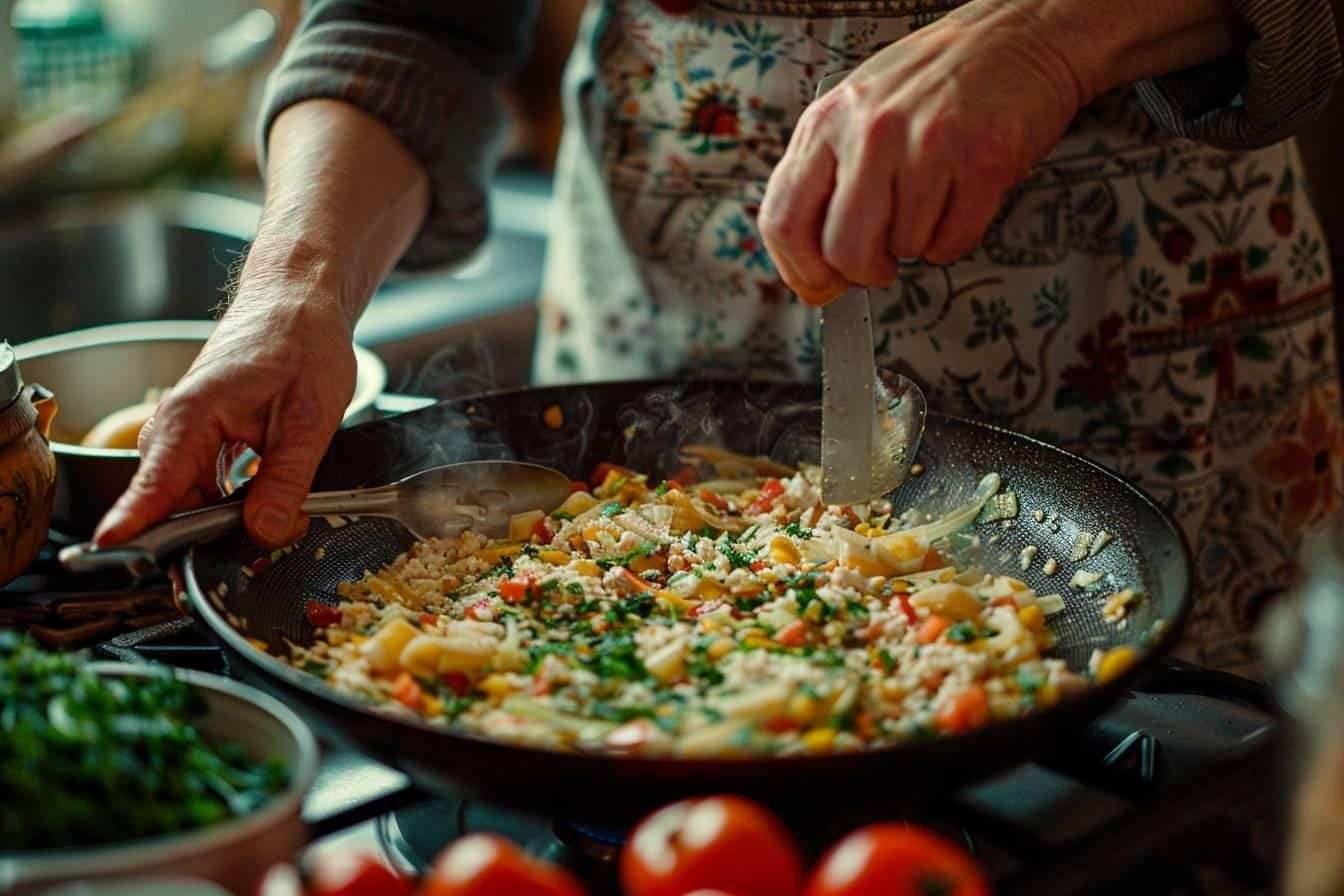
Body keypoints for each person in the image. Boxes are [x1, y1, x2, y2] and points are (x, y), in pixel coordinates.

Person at [95, 0, 1342, 675]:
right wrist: (295, 286)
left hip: (1150, 321)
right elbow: (414, 19)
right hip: (659, 298)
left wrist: (1050, 33)